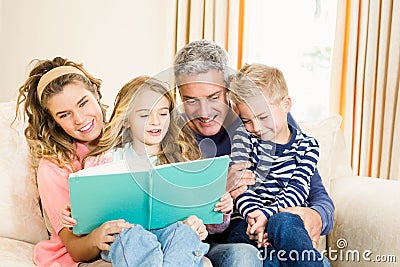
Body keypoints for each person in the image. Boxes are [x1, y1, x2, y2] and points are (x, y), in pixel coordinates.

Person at [14, 57, 210, 267]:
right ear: (54, 121)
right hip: (89, 251)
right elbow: (76, 248)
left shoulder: (129, 131)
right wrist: (96, 235)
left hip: (151, 239)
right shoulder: (54, 166)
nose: (79, 119)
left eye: (83, 103)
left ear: (96, 94)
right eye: (64, 115)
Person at [173, 39, 334, 267]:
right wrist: (218, 189)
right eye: (191, 101)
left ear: (229, 91)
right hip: (212, 241)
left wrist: (317, 215)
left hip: (269, 226)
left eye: (214, 97)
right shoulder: (168, 135)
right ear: (180, 97)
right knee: (245, 256)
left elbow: (315, 191)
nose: (204, 112)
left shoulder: (262, 122)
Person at [59, 76, 232, 266]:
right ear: (126, 120)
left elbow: (212, 224)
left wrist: (221, 207)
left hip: (171, 237)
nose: (156, 122)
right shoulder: (105, 160)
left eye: (163, 113)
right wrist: (75, 214)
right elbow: (86, 218)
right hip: (127, 237)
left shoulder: (183, 160)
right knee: (130, 235)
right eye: (144, 115)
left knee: (185, 233)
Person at [227, 63, 323, 265]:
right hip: (248, 220)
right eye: (247, 120)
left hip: (283, 216)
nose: (256, 127)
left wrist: (267, 216)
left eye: (263, 117)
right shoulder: (244, 139)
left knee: (284, 223)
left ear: (286, 104)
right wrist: (255, 217)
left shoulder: (308, 147)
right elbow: (240, 190)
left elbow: (297, 191)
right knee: (242, 236)